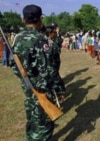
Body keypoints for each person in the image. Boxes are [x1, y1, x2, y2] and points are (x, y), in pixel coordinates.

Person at [10, 4, 57, 140]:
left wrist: (26, 80)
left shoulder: (17, 38)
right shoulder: (44, 40)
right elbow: (52, 68)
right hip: (43, 90)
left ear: (23, 19)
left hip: (28, 89)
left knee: (32, 122)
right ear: (40, 19)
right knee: (44, 126)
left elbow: (14, 66)